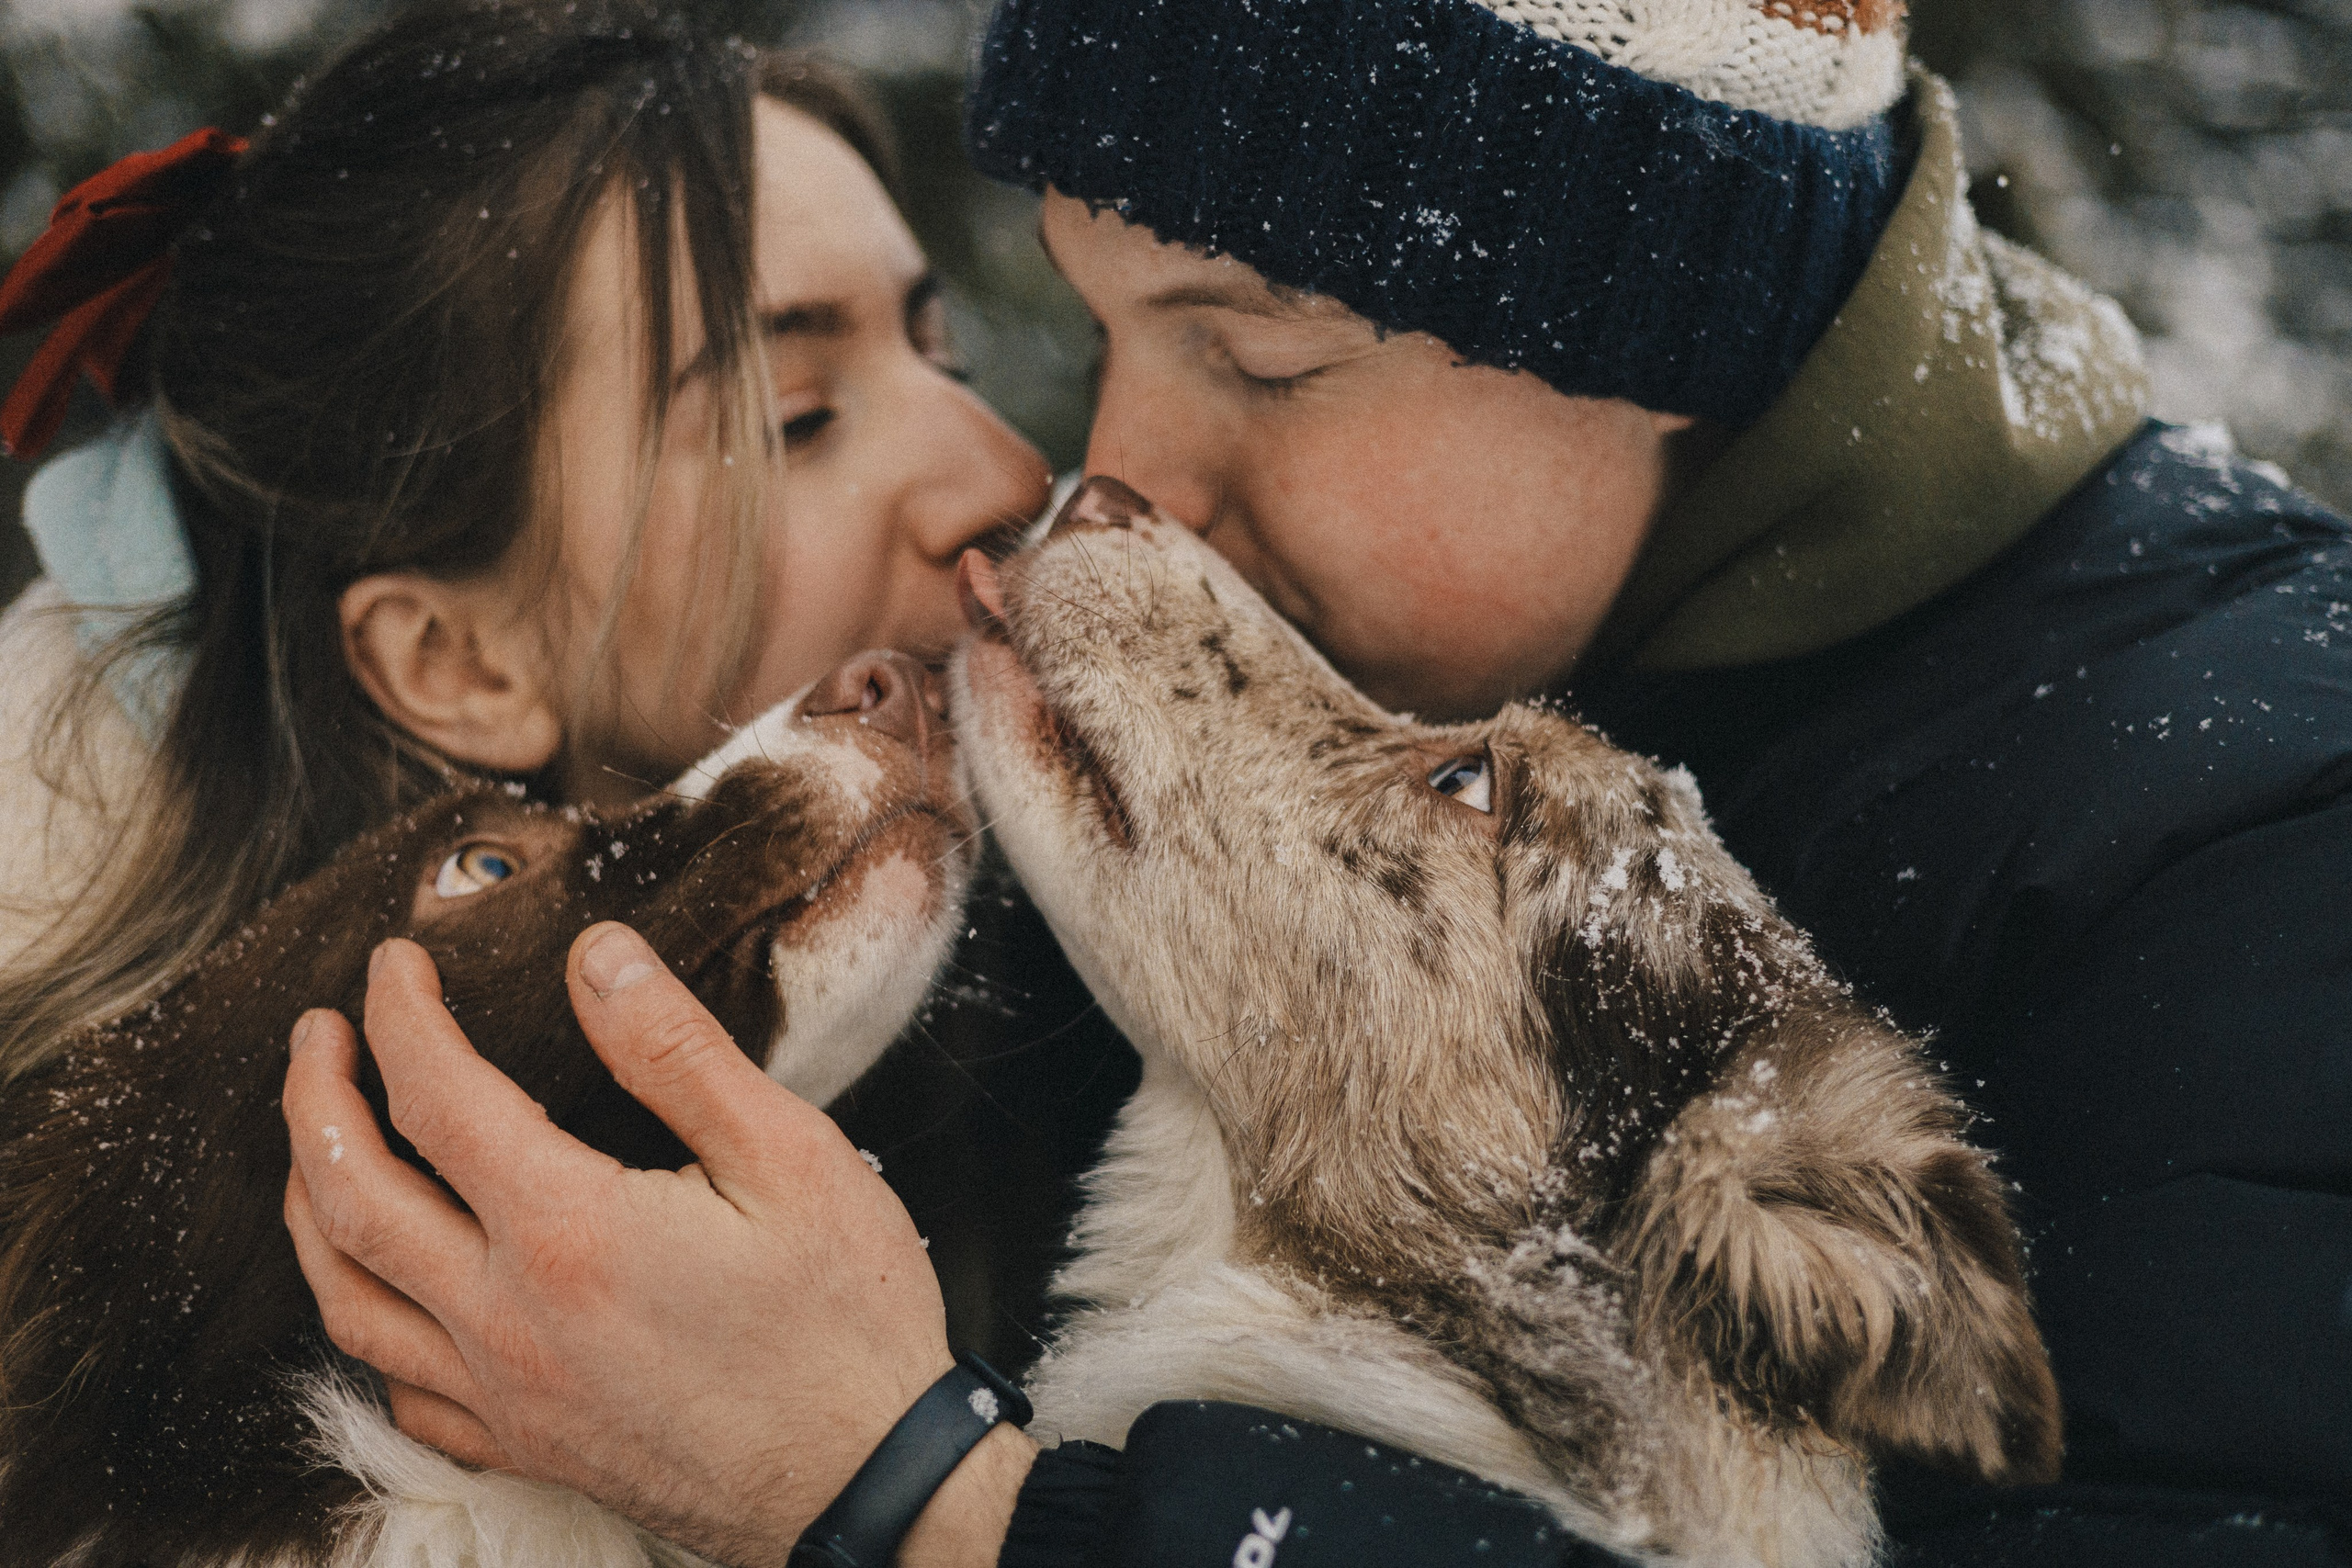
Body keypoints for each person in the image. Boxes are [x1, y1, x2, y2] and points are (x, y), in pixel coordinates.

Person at [280, 0, 2346, 1564]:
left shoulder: (2263, 840)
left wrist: (920, 1488)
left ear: (1661, 322)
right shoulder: (1281, 685)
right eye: (1090, 324)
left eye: (1255, 354)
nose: (1114, 473)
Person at [0, 4, 1084, 1551]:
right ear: (453, 661)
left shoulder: (1088, 1027)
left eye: (941, 347)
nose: (1006, 474)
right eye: (799, 418)